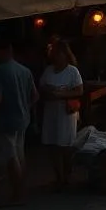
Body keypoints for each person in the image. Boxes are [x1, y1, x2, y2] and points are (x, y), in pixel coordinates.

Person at [0, 40, 38, 207]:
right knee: (19, 154)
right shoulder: (24, 70)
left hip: (6, 119)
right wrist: (25, 107)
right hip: (22, 118)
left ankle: (18, 194)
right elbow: (35, 96)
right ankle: (21, 190)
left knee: (11, 157)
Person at [39, 40, 83, 190]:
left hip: (66, 112)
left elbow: (79, 91)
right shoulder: (49, 70)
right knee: (52, 145)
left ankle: (67, 175)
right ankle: (59, 177)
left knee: (65, 145)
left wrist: (61, 93)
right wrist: (48, 91)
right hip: (51, 111)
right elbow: (41, 87)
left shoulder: (72, 71)